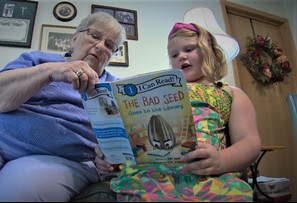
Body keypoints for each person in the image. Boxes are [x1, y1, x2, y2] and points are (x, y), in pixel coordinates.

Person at [0, 12, 126, 202]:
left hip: (60, 159)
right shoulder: (37, 59)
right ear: (75, 38)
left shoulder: (116, 89)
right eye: (94, 35)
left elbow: (121, 150)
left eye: (110, 45)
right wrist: (51, 71)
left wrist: (110, 160)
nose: (101, 46)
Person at [94, 22, 262, 201]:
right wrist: (111, 153)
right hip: (149, 177)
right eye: (174, 55)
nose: (181, 56)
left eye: (189, 49)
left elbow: (249, 142)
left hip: (207, 175)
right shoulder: (157, 92)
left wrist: (221, 160)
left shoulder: (229, 92)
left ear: (208, 51)